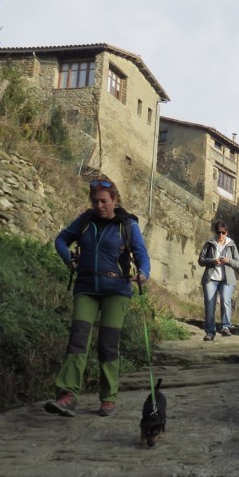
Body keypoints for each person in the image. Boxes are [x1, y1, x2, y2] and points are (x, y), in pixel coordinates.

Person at [45, 177, 150, 418]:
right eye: (95, 201)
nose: (99, 206)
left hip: (117, 290)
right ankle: (68, 395)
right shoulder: (85, 221)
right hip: (86, 287)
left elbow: (142, 255)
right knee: (78, 339)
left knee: (107, 343)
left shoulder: (127, 225)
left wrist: (143, 273)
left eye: (104, 201)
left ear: (115, 200)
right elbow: (61, 240)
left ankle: (108, 397)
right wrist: (68, 259)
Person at [198, 221, 239, 341]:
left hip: (226, 279)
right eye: (218, 232)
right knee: (210, 305)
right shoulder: (209, 243)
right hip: (211, 279)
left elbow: (238, 263)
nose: (221, 235)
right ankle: (210, 332)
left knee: (225, 300)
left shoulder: (231, 245)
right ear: (215, 232)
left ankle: (225, 327)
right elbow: (201, 260)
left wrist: (228, 261)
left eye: (223, 232)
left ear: (226, 232)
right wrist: (212, 261)